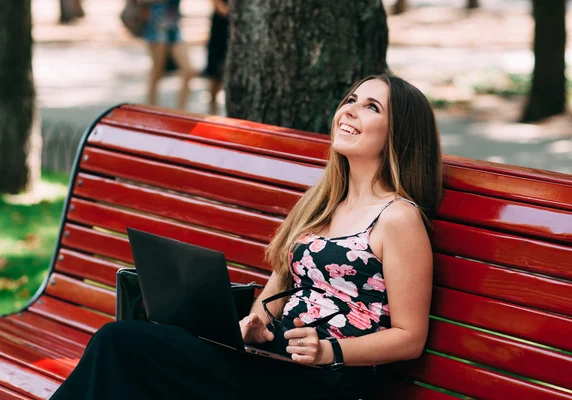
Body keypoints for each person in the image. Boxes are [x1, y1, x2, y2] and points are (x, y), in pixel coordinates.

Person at [50, 73, 443, 400]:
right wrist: (254, 324)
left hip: (324, 381)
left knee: (121, 345)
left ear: (400, 134)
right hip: (273, 361)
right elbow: (277, 290)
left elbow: (410, 337)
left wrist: (330, 350)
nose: (349, 110)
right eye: (351, 100)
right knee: (125, 350)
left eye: (371, 107)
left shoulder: (398, 218)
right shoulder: (322, 203)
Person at [141, 0, 195, 108]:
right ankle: (152, 109)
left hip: (174, 29)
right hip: (156, 28)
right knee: (157, 72)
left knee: (189, 71)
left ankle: (181, 111)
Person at [203, 0, 229, 115]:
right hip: (220, 26)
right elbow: (219, 6)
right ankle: (212, 108)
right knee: (214, 71)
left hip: (231, 25)